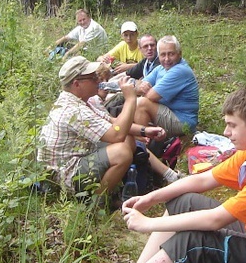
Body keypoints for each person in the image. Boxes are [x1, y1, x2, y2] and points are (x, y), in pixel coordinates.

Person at [113, 86, 246, 263]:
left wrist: (147, 224)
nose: (226, 132)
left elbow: (215, 220)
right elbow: (204, 178)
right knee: (182, 202)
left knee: (189, 242)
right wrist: (151, 198)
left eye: (232, 125)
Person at [37, 56, 169, 198]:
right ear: (77, 84)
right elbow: (116, 134)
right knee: (121, 152)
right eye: (93, 77)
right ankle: (96, 203)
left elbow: (112, 122)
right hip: (64, 175)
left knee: (128, 140)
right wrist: (131, 99)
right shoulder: (73, 110)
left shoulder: (84, 101)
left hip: (78, 157)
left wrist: (144, 131)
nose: (99, 80)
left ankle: (115, 189)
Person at [134, 35, 199, 136]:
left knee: (141, 103)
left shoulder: (180, 70)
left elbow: (151, 96)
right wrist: (140, 86)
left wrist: (144, 90)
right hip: (167, 112)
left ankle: (143, 144)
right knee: (132, 101)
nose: (167, 59)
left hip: (182, 120)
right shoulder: (160, 69)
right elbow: (137, 86)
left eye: (171, 54)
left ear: (179, 54)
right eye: (163, 55)